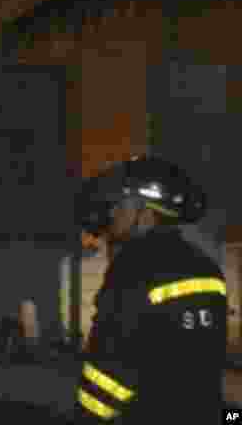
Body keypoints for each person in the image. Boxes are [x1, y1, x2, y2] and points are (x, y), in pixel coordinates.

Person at [73, 155, 226, 424]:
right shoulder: (207, 268)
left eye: (119, 204)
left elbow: (106, 380)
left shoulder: (134, 268)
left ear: (143, 211)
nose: (112, 213)